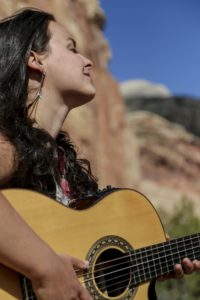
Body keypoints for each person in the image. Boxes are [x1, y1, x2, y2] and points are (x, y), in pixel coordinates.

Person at [0, 7, 199, 300]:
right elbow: (53, 270)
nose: (89, 60)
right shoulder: (9, 141)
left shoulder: (64, 165)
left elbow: (80, 262)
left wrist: (145, 264)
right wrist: (45, 270)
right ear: (35, 59)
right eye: (71, 49)